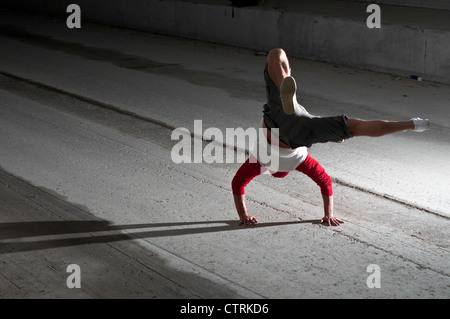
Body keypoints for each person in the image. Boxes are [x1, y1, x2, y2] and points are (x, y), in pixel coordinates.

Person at [231, 48, 430, 227]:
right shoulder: (259, 163)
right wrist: (243, 214)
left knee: (357, 127)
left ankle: (411, 124)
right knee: (276, 54)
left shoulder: (299, 162)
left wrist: (329, 213)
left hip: (302, 133)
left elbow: (326, 182)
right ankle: (286, 88)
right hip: (277, 117)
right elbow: (237, 184)